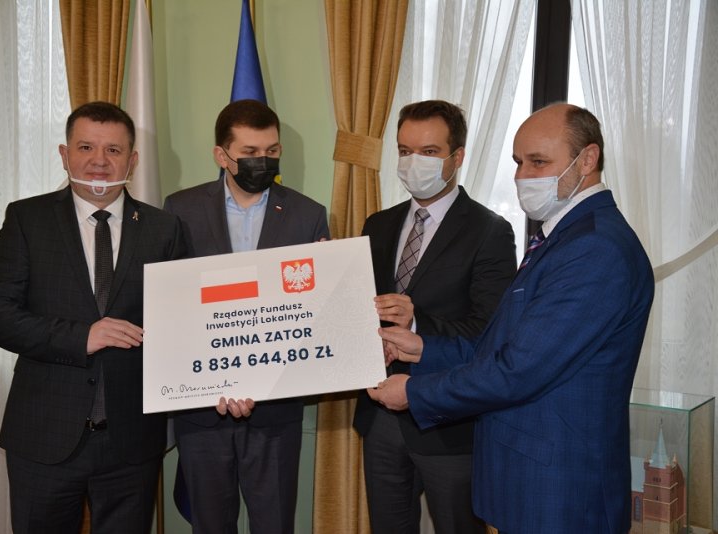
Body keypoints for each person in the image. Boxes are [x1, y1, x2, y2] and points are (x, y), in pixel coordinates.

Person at [370, 103, 654, 533]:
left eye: (539, 162)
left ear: (588, 159)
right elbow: (502, 345)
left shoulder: (595, 248)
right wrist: (424, 347)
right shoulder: (563, 237)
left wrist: (414, 392)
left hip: (561, 486)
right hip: (533, 476)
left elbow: (519, 369)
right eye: (519, 162)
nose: (523, 176)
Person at [0, 101, 187, 534]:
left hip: (132, 443)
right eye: (86, 147)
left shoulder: (164, 228)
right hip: (43, 437)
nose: (99, 161)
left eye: (113, 150)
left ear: (132, 160)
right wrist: (81, 336)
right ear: (64, 154)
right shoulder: (27, 219)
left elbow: (185, 325)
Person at [163, 99, 330, 534]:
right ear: (222, 155)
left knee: (274, 525)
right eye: (251, 152)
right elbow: (172, 306)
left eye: (272, 151)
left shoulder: (308, 215)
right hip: (203, 408)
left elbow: (314, 314)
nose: (263, 161)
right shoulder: (179, 208)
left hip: (275, 411)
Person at [353, 100, 515, 534]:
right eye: (405, 151)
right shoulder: (377, 225)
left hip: (450, 424)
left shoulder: (490, 231)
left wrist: (417, 322)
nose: (413, 163)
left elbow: (489, 332)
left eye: (428, 152)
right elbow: (360, 313)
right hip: (380, 416)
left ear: (457, 157)